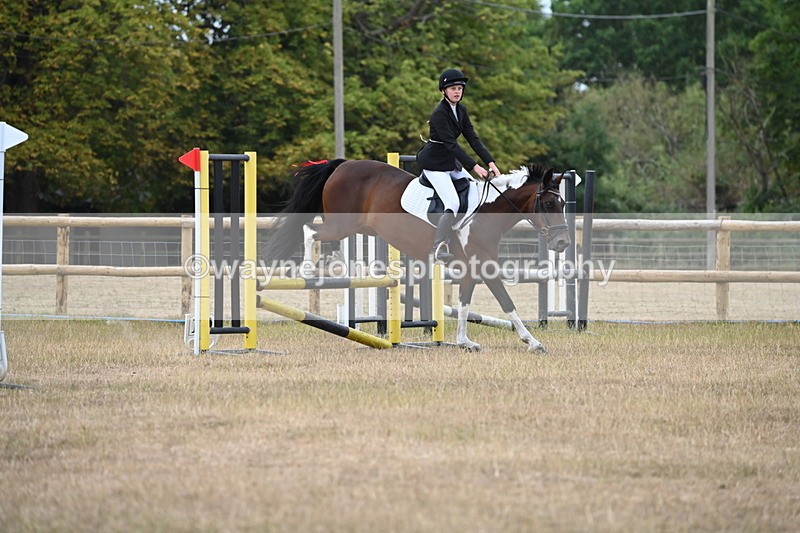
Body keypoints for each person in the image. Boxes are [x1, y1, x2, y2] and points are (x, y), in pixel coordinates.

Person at [417, 68, 501, 262]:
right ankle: (438, 246)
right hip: (433, 164)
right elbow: (451, 145)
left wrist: (490, 162)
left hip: (449, 162)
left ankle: (466, 236)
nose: (457, 92)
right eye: (453, 88)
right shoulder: (439, 114)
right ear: (443, 91)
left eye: (460, 88)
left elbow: (472, 138)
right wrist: (475, 167)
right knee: (453, 203)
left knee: (474, 192)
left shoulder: (461, 110)